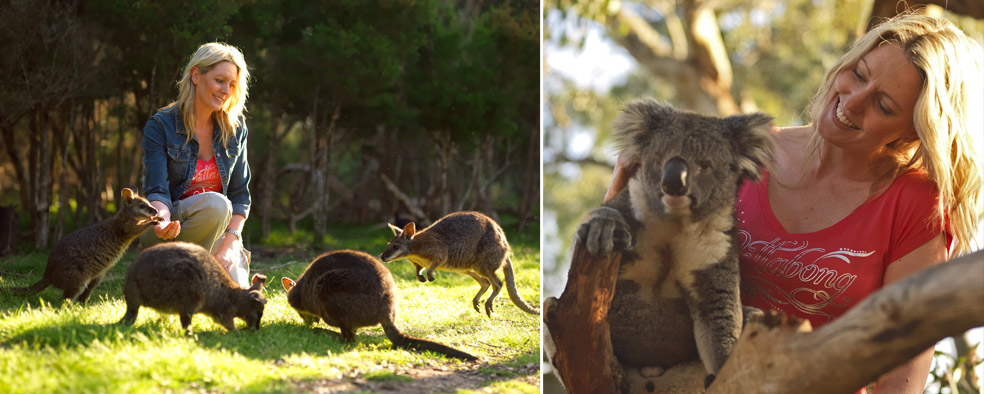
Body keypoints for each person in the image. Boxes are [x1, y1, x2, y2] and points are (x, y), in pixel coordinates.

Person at [604, 13, 983, 394]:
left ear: (913, 131)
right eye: (859, 74)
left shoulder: (917, 207)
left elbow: (902, 378)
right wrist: (623, 192)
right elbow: (637, 277)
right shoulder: (740, 154)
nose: (852, 102)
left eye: (883, 106)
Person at [141, 42, 253, 288]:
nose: (226, 90)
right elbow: (157, 189)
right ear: (195, 75)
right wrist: (162, 219)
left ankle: (175, 273)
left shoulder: (236, 129)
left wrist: (230, 244)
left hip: (219, 230)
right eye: (219, 80)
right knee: (217, 204)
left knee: (240, 293)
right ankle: (178, 272)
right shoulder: (161, 126)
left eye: (232, 84)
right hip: (169, 226)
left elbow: (240, 196)